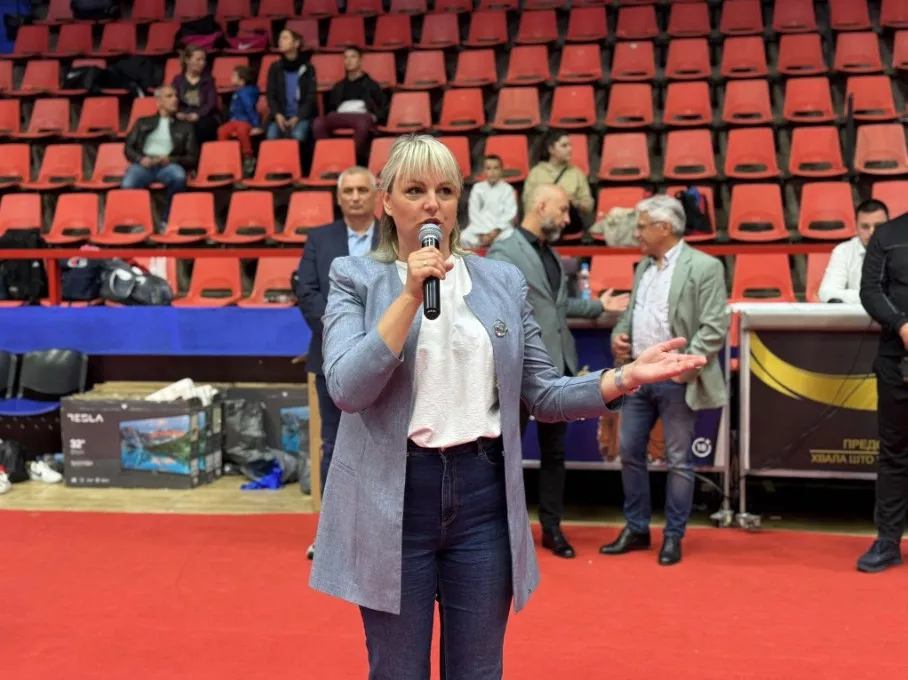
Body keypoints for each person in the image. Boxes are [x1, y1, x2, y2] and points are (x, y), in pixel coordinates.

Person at [308, 134, 707, 679]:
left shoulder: (501, 281)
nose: (432, 204)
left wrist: (623, 378)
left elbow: (543, 393)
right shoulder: (354, 278)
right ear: (387, 202)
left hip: (482, 498)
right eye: (415, 190)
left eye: (446, 191)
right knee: (398, 671)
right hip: (392, 500)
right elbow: (348, 390)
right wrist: (408, 296)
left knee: (479, 671)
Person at [486, 183, 629, 558]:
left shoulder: (551, 254)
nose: (567, 219)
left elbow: (556, 307)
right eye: (563, 210)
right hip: (517, 367)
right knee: (506, 454)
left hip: (557, 367)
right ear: (540, 205)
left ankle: (551, 528)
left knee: (554, 455)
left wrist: (599, 306)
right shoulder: (504, 250)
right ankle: (501, 530)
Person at [599, 195, 729, 566]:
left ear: (664, 228)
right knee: (630, 453)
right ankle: (637, 528)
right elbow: (631, 314)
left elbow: (714, 327)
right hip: (638, 376)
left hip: (676, 379)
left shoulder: (705, 266)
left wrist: (683, 367)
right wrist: (619, 336)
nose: (637, 233)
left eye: (642, 227)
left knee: (678, 460)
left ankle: (673, 535)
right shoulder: (643, 266)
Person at [295, 166, 380, 560]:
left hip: (386, 357)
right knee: (333, 445)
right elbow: (307, 292)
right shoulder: (320, 238)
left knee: (384, 448)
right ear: (339, 197)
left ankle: (381, 533)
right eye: (349, 191)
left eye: (363, 189)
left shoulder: (394, 236)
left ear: (376, 195)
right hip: (330, 355)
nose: (356, 197)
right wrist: (343, 333)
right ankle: (332, 534)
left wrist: (374, 338)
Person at [858, 203, 908, 573]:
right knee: (894, 452)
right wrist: (902, 324)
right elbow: (871, 291)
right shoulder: (887, 235)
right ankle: (888, 539)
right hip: (897, 361)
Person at [121, 85, 198, 226]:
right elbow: (128, 148)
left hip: (169, 165)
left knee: (179, 177)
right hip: (144, 165)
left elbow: (192, 157)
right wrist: (140, 159)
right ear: (158, 102)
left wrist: (170, 159)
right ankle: (140, 223)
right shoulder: (142, 122)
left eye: (175, 96)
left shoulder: (185, 127)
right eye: (169, 96)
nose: (175, 99)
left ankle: (167, 221)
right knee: (128, 183)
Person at [312, 46, 388, 165]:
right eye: (346, 57)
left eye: (353, 57)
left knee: (364, 122)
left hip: (360, 116)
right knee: (318, 122)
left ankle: (347, 159)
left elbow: (383, 106)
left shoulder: (371, 85)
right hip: (340, 116)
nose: (348, 60)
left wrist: (375, 117)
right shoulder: (338, 86)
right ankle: (331, 158)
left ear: (360, 60)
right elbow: (331, 107)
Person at [522, 130, 594, 237]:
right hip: (543, 222)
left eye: (570, 145)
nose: (570, 149)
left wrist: (574, 202)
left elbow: (588, 205)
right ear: (551, 149)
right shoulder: (536, 173)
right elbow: (528, 203)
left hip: (568, 222)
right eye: (564, 146)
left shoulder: (576, 173)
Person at [818, 199, 889, 304]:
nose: (872, 232)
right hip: (857, 314)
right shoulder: (843, 251)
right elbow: (827, 293)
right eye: (865, 227)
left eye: (878, 226)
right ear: (856, 228)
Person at [265, 28, 317, 143]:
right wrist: (278, 115)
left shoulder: (308, 68)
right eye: (280, 38)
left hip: (301, 116)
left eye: (285, 38)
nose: (280, 41)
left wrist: (298, 117)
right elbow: (271, 95)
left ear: (296, 43)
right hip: (280, 116)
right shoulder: (275, 67)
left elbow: (311, 97)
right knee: (271, 136)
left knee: (297, 136)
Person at [461, 155, 517, 250]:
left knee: (511, 238)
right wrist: (482, 233)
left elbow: (509, 214)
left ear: (501, 170)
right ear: (483, 171)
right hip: (480, 230)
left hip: (500, 231)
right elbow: (473, 213)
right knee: (464, 237)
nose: (492, 172)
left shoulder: (508, 189)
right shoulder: (477, 188)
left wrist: (494, 233)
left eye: (496, 168)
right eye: (488, 168)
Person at [217, 66, 262, 177]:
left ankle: (248, 157)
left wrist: (256, 124)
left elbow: (249, 108)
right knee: (222, 130)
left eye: (234, 76)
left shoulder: (246, 93)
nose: (231, 78)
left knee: (242, 131)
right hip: (234, 120)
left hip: (245, 121)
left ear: (242, 81)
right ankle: (226, 157)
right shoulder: (238, 91)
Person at [171, 45, 220, 145]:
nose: (202, 63)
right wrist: (177, 113)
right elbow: (173, 100)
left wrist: (198, 114)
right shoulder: (178, 80)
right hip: (183, 114)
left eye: (203, 60)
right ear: (187, 60)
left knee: (204, 126)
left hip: (204, 116)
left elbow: (211, 104)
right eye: (198, 60)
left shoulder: (208, 80)